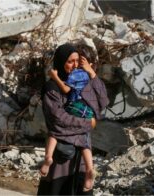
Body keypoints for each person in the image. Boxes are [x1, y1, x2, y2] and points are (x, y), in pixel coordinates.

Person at [37, 43, 109, 195]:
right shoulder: (52, 88)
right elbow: (58, 119)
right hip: (62, 158)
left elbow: (103, 101)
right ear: (61, 62)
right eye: (70, 61)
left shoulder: (81, 82)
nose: (75, 66)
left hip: (81, 160)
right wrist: (88, 124)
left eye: (77, 61)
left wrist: (92, 74)